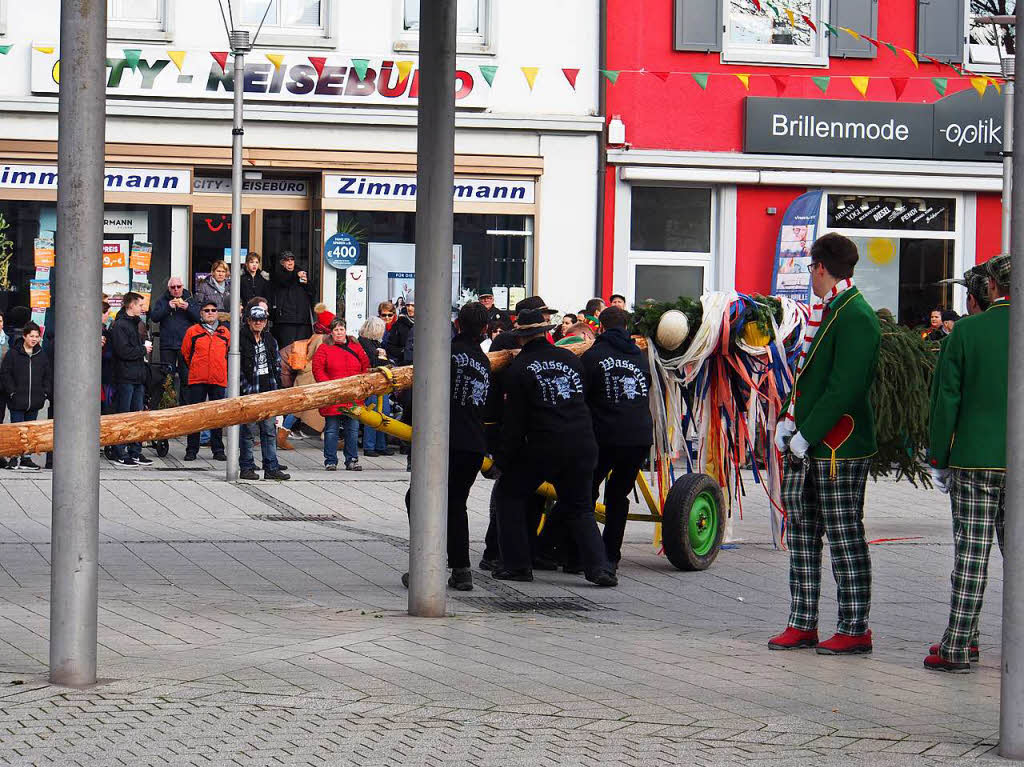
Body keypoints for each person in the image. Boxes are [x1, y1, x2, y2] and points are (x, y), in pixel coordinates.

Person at [771, 233, 881, 655]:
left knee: (844, 534)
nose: (809, 276)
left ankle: (855, 627)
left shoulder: (855, 315)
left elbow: (844, 388)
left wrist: (806, 433)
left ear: (820, 266)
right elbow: (810, 378)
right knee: (802, 532)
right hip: (814, 442)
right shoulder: (833, 309)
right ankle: (803, 622)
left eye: (810, 268)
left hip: (840, 446)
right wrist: (789, 419)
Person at [924, 253, 1010, 673]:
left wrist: (939, 456)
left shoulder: (967, 331)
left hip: (974, 459)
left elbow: (946, 399)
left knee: (972, 556)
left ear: (991, 287)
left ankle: (958, 646)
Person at [493, 308, 618, 587]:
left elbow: (515, 423)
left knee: (509, 494)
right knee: (580, 507)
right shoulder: (569, 359)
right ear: (546, 332)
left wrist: (502, 459)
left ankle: (517, 565)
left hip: (545, 445)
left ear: (520, 338)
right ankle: (599, 569)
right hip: (583, 441)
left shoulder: (519, 368)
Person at [402, 302, 493, 592]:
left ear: (457, 324)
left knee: (419, 499)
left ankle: (425, 566)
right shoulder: (484, 361)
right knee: (456, 504)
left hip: (442, 441)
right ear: (486, 329)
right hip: (473, 444)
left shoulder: (446, 353)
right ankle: (461, 569)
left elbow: (422, 392)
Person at [582, 306, 653, 570]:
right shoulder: (639, 357)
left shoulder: (593, 355)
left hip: (606, 436)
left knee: (586, 492)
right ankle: (611, 555)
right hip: (638, 437)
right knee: (618, 496)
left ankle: (585, 553)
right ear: (626, 328)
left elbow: (583, 395)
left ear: (600, 327)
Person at [237, 305, 290, 481]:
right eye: (255, 319)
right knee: (248, 433)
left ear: (266, 322)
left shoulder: (270, 340)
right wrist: (244, 389)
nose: (258, 322)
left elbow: (276, 365)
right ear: (249, 321)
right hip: (250, 392)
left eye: (261, 320)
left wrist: (277, 390)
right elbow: (236, 369)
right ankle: (246, 467)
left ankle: (271, 467)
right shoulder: (240, 339)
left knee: (269, 431)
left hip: (268, 390)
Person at [312, 317, 370, 471]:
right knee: (331, 429)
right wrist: (330, 386)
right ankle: (330, 460)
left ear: (345, 330)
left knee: (352, 429)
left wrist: (360, 385)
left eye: (341, 329)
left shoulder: (356, 347)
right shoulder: (324, 348)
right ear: (331, 332)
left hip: (353, 395)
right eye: (336, 329)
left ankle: (352, 459)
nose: (339, 332)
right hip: (334, 396)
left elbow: (365, 365)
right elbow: (318, 369)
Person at [180, 300, 230, 462]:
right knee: (196, 415)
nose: (210, 313)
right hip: (197, 378)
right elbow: (186, 353)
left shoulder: (224, 332)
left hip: (218, 378)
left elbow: (228, 353)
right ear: (201, 313)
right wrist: (196, 367)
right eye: (206, 310)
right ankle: (192, 449)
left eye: (213, 310)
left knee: (217, 416)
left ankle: (218, 449)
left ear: (217, 313)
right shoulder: (193, 331)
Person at [109, 293, 154, 466]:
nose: (142, 308)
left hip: (138, 375)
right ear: (130, 305)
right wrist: (143, 350)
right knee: (123, 415)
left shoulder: (137, 324)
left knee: (137, 416)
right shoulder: (120, 325)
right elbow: (123, 351)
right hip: (125, 376)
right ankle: (120, 452)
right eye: (140, 305)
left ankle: (135, 451)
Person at [0, 321, 51, 470]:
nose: (34, 339)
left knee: (30, 429)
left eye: (37, 336)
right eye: (31, 336)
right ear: (24, 336)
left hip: (35, 399)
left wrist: (44, 392)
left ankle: (26, 458)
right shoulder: (14, 353)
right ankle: (14, 456)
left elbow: (47, 374)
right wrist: (11, 391)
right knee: (18, 429)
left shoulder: (41, 355)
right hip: (17, 399)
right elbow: (6, 373)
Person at [149, 276, 200, 404]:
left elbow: (199, 318)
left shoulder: (189, 298)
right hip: (167, 344)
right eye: (173, 287)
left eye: (178, 287)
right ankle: (167, 405)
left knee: (186, 377)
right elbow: (154, 317)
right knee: (167, 378)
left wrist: (188, 307)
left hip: (185, 344)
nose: (176, 290)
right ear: (169, 289)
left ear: (183, 287)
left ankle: (185, 406)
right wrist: (167, 307)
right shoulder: (163, 299)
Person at [357, 316, 394, 458]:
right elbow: (375, 362)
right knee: (375, 414)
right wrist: (384, 358)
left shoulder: (369, 342)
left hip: (378, 383)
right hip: (373, 382)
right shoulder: (367, 344)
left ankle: (379, 445)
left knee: (382, 412)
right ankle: (371, 446)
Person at [271, 251, 313, 348]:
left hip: (302, 320)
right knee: (286, 349)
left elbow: (312, 292)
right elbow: (284, 281)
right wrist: (296, 276)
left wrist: (307, 283)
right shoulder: (278, 274)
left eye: (292, 260)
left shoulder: (301, 273)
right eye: (287, 260)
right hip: (285, 320)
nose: (290, 262)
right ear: (282, 263)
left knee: (301, 350)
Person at [193, 260, 232, 324]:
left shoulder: (231, 286)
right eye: (218, 271)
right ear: (213, 272)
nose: (221, 274)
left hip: (228, 322)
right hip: (210, 322)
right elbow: (198, 306)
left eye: (223, 271)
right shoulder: (203, 286)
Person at [384, 298, 415, 364]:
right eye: (408, 305)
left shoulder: (427, 323)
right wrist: (404, 351)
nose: (409, 308)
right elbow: (390, 347)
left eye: (413, 305)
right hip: (405, 364)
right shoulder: (399, 324)